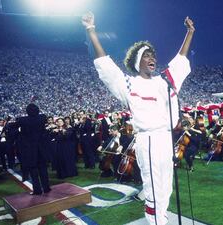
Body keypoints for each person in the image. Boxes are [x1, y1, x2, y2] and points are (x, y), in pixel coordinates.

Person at [83, 11, 194, 225]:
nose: (152, 58)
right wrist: (91, 30)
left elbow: (180, 60)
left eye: (152, 55)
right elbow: (106, 65)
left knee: (166, 188)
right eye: (146, 55)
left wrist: (189, 33)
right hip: (148, 139)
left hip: (165, 138)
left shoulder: (165, 81)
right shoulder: (129, 84)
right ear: (136, 62)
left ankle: (161, 220)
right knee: (152, 188)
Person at [10, 104, 51, 195]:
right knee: (43, 168)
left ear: (27, 111)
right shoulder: (42, 117)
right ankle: (46, 187)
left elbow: (11, 127)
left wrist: (20, 133)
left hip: (30, 149)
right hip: (41, 148)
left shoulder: (22, 120)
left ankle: (37, 190)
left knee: (33, 170)